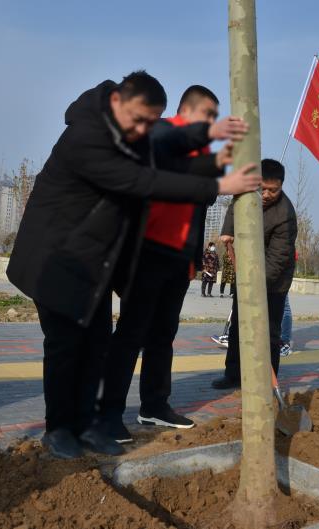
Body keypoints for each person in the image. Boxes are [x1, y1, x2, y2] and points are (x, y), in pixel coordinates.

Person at [7, 72, 259, 459]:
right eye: (139, 119)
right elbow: (142, 181)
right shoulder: (87, 137)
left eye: (149, 122)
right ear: (116, 103)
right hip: (54, 257)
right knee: (66, 345)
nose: (143, 129)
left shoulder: (129, 136)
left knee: (96, 343)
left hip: (90, 260)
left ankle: (88, 426)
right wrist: (220, 186)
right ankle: (58, 430)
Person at [96, 85, 236, 443]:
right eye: (207, 114)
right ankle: (108, 414)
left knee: (163, 335)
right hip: (147, 254)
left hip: (177, 260)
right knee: (131, 334)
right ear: (185, 111)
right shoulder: (160, 135)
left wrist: (191, 260)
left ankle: (155, 404)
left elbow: (201, 204)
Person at [211, 159, 298, 389]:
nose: (267, 194)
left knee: (269, 333)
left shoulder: (285, 214)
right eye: (263, 188)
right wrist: (228, 231)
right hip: (247, 270)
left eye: (273, 190)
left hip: (274, 282)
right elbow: (234, 207)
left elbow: (277, 260)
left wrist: (255, 287)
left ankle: (266, 383)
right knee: (239, 326)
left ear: (281, 186)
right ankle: (233, 375)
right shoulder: (247, 192)